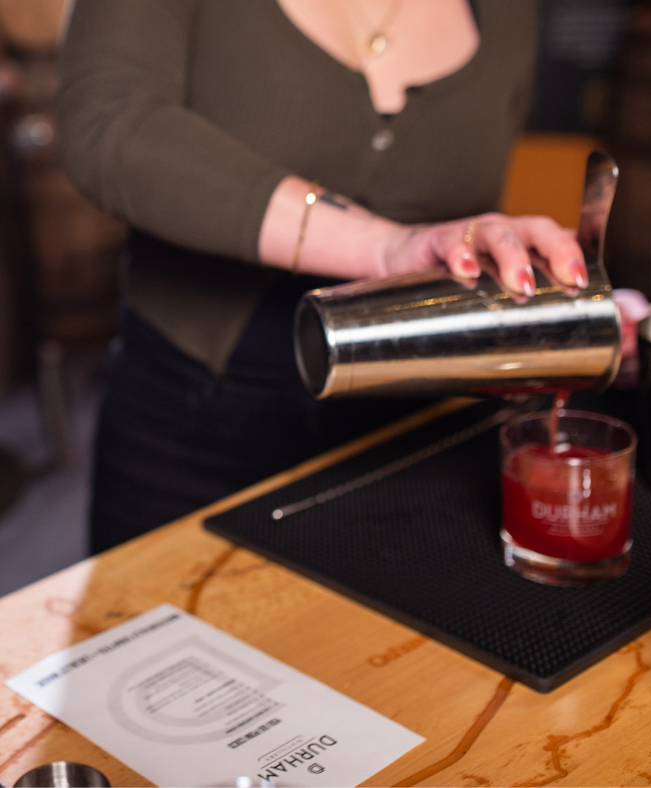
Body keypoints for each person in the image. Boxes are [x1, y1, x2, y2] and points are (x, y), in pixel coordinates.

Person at [58, 0, 590, 552]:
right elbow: (110, 125)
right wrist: (385, 247)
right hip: (192, 429)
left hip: (419, 440)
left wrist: (555, 315)